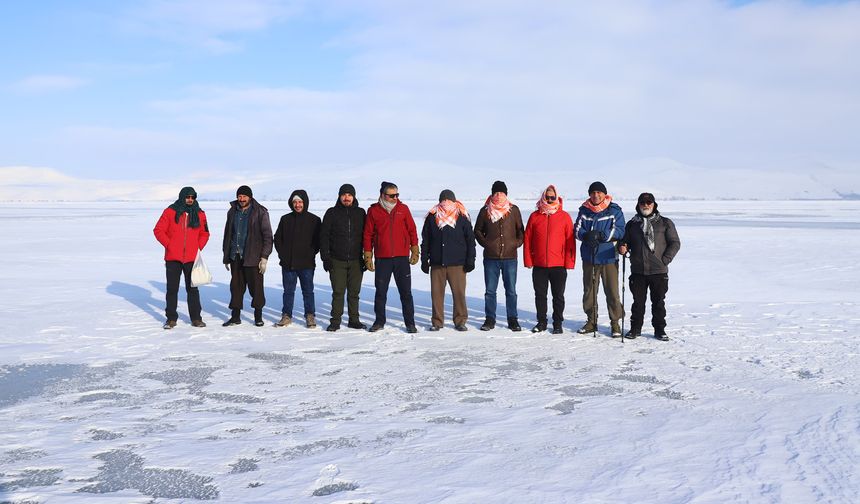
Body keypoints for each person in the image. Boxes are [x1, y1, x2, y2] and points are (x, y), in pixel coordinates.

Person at [617, 193, 680, 341]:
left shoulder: (665, 223)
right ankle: (635, 329)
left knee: (658, 303)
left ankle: (660, 330)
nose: (646, 205)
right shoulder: (632, 224)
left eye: (649, 202)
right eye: (642, 202)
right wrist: (622, 247)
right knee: (638, 303)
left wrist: (665, 259)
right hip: (638, 271)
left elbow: (675, 243)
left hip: (659, 271)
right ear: (638, 205)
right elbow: (624, 241)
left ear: (654, 204)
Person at [363, 181, 419, 333]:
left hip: (401, 258)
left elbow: (412, 230)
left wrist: (414, 249)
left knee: (406, 293)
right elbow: (368, 235)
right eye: (392, 195)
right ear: (383, 195)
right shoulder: (374, 211)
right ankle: (379, 321)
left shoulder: (403, 209)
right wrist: (368, 254)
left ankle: (410, 323)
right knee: (381, 292)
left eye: (397, 195)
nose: (395, 198)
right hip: (383, 258)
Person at [153, 186, 211, 329]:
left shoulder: (200, 214)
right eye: (188, 197)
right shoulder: (170, 211)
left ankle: (196, 318)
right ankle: (171, 319)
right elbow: (158, 230)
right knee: (172, 289)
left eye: (192, 197)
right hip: (173, 258)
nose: (190, 200)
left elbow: (205, 233)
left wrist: (198, 247)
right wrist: (169, 245)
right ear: (182, 197)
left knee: (193, 289)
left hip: (192, 258)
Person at [574, 181, 626, 337]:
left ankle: (615, 323)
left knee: (612, 292)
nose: (596, 195)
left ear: (605, 194)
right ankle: (591, 321)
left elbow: (619, 230)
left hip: (608, 257)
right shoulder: (584, 211)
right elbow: (577, 229)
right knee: (589, 292)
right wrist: (586, 236)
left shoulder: (613, 210)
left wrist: (601, 236)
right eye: (593, 192)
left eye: (599, 192)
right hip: (589, 258)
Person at [421, 189, 477, 331]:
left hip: (458, 264)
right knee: (436, 295)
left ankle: (460, 321)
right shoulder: (432, 217)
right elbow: (426, 240)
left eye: (449, 200)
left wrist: (471, 259)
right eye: (443, 200)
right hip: (437, 263)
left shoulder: (462, 216)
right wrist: (424, 259)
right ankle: (437, 322)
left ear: (454, 201)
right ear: (439, 201)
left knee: (459, 294)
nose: (446, 203)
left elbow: (470, 240)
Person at [523, 184, 576, 334]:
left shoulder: (564, 216)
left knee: (558, 296)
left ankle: (557, 323)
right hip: (539, 264)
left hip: (558, 265)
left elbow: (570, 242)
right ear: (543, 197)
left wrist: (569, 262)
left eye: (553, 197)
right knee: (540, 295)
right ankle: (541, 322)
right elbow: (527, 239)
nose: (550, 199)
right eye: (548, 197)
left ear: (557, 198)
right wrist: (528, 260)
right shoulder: (535, 216)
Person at [473, 180, 524, 332]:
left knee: (511, 291)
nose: (499, 195)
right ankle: (490, 319)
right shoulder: (485, 211)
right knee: (490, 291)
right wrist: (487, 243)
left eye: (501, 192)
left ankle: (512, 319)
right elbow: (477, 231)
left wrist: (516, 243)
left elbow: (521, 230)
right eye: (496, 192)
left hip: (510, 258)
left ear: (506, 194)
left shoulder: (514, 210)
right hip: (491, 258)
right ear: (492, 194)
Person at [222, 185, 273, 327]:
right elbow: (228, 234)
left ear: (250, 197)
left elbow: (268, 236)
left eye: (244, 196)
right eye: (239, 196)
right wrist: (226, 256)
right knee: (236, 287)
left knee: (256, 287)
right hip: (235, 255)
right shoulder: (232, 211)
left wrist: (264, 257)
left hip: (253, 256)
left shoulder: (260, 211)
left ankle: (258, 316)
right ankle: (235, 317)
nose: (242, 199)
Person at [320, 184, 367, 332]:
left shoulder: (360, 213)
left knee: (354, 293)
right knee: (338, 292)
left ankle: (354, 320)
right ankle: (335, 321)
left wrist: (366, 257)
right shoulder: (331, 213)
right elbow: (324, 236)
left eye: (349, 195)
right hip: (336, 260)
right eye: (344, 195)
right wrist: (325, 258)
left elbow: (366, 236)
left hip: (356, 260)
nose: (346, 198)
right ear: (339, 196)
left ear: (354, 197)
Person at [273, 189, 321, 328]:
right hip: (288, 264)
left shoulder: (314, 220)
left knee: (308, 291)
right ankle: (286, 315)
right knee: (288, 292)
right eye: (295, 202)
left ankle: (310, 315)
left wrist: (310, 253)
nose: (298, 205)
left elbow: (318, 241)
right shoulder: (285, 219)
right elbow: (277, 239)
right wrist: (283, 254)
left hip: (306, 263)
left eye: (300, 202)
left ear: (305, 202)